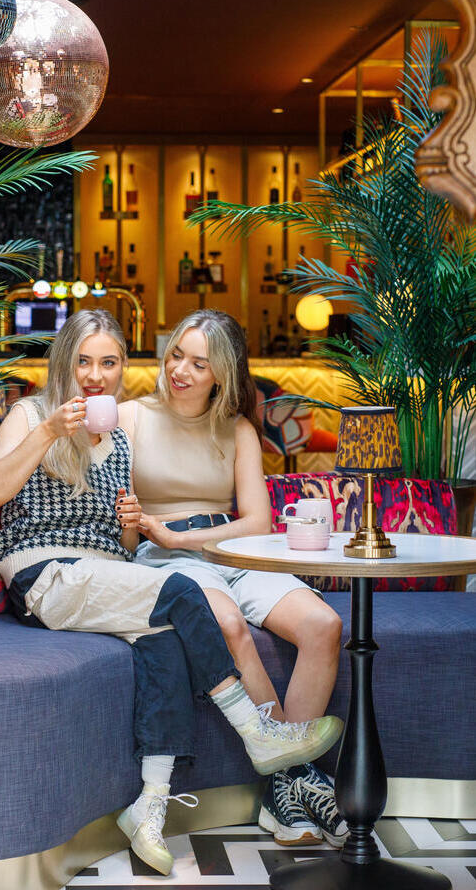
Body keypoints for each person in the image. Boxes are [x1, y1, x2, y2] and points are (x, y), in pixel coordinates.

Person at [0, 308, 344, 874]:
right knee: (184, 597)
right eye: (83, 361)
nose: (95, 376)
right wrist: (53, 430)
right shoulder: (42, 414)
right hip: (57, 570)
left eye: (109, 363)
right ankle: (264, 739)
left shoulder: (116, 440)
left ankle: (150, 803)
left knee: (168, 638)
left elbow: (117, 538)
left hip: (123, 565)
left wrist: (131, 520)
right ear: (63, 361)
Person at [118, 309, 348, 849]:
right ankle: (293, 782)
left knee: (324, 626)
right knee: (225, 623)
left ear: (221, 373)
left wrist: (186, 537)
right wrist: (153, 537)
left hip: (232, 550)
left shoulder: (238, 428)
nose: (181, 370)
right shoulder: (130, 417)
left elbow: (257, 522)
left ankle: (284, 786)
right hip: (164, 558)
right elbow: (126, 527)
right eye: (176, 354)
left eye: (199, 364)